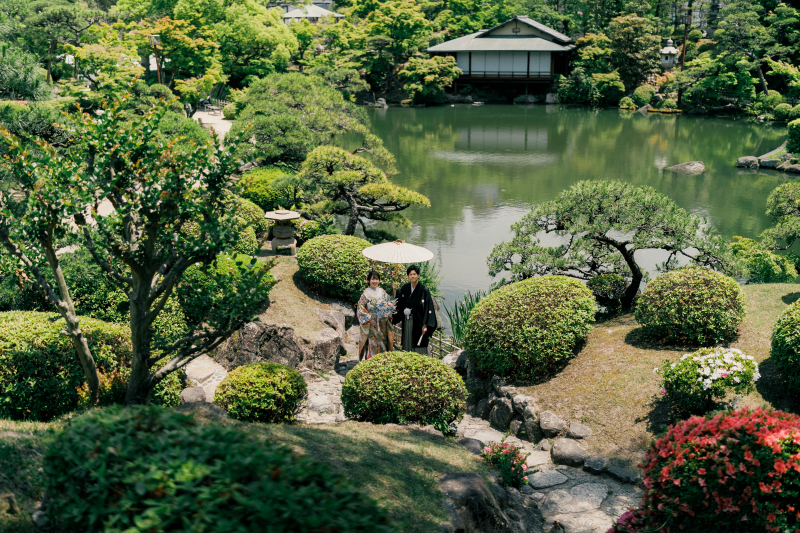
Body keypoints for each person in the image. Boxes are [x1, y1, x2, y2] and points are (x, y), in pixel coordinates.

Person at [392, 265, 437, 354]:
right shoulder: (405, 288)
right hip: (407, 320)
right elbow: (398, 301)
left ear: (418, 275)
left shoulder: (424, 289)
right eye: (410, 274)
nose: (412, 276)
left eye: (414, 274)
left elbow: (428, 307)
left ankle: (421, 360)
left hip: (419, 321)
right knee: (407, 339)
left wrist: (425, 324)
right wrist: (394, 290)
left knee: (419, 342)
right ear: (408, 276)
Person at [356, 270, 395, 360]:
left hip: (382, 323)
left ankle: (382, 366)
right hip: (371, 324)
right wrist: (370, 319)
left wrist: (386, 312)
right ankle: (371, 364)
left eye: (377, 279)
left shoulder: (382, 292)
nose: (375, 281)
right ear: (368, 280)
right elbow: (360, 309)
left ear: (379, 281)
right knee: (373, 344)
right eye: (372, 279)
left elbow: (388, 304)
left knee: (383, 345)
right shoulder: (365, 293)